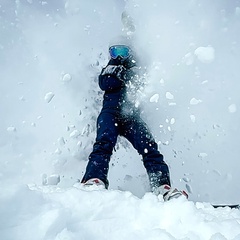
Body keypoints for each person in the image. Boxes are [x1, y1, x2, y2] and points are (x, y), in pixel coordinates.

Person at [81, 40, 187, 201]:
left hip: (131, 116)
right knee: (103, 143)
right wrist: (119, 67)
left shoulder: (136, 69)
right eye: (114, 52)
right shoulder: (109, 69)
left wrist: (130, 70)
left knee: (149, 148)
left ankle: (161, 186)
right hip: (110, 113)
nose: (118, 56)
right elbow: (106, 83)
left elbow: (142, 82)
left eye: (122, 52)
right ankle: (94, 179)